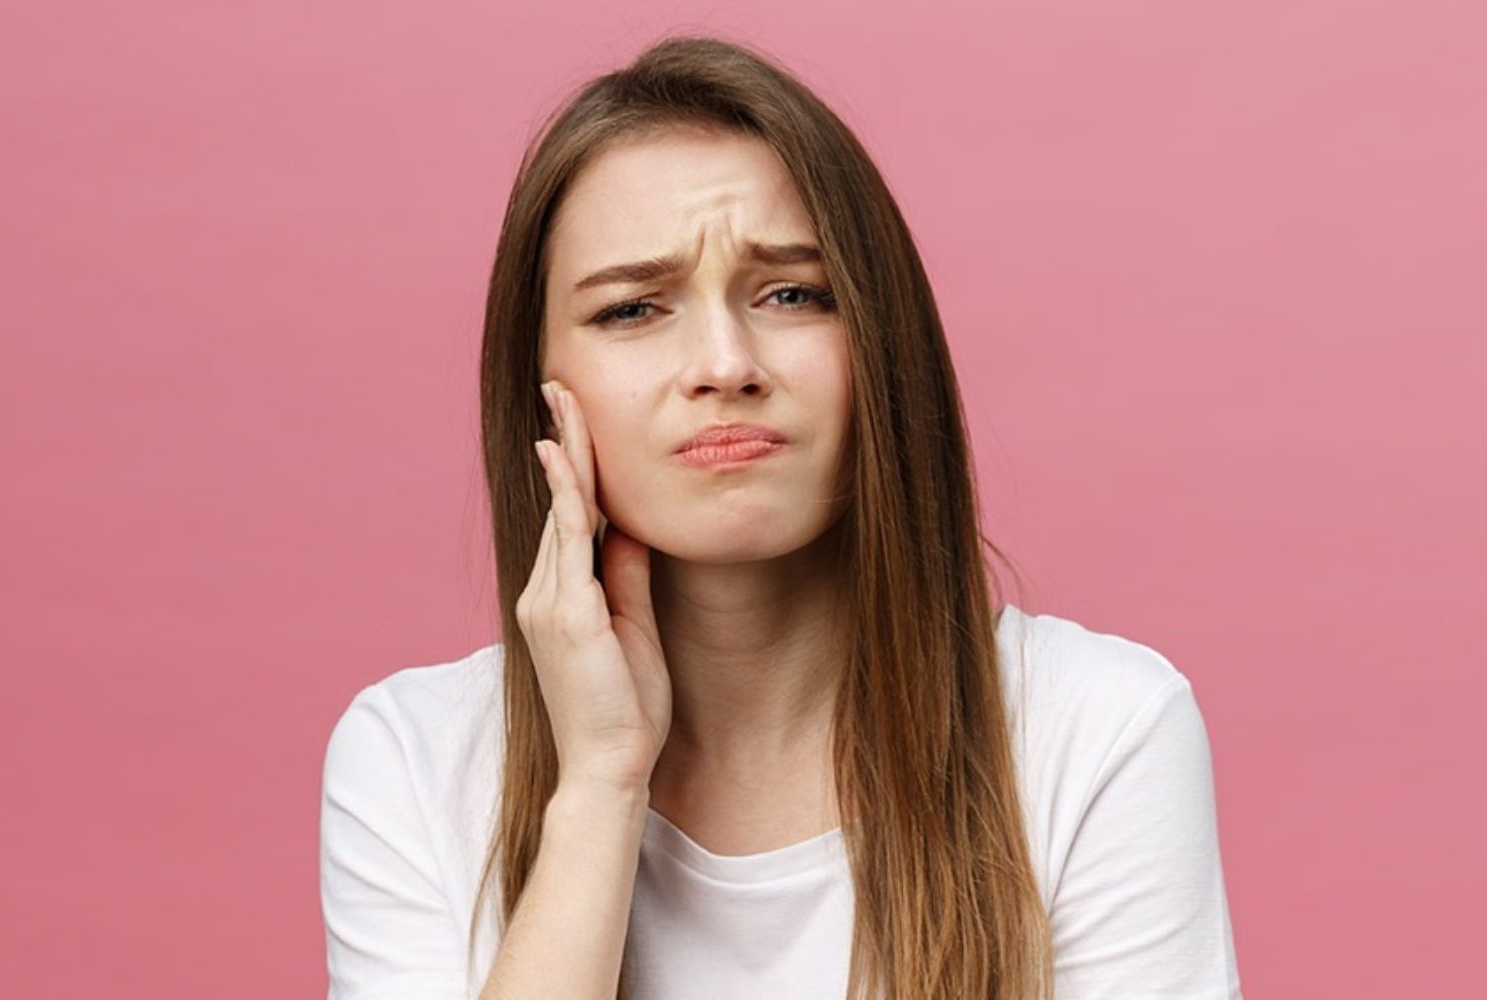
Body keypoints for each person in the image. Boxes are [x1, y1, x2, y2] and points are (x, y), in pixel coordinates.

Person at [319, 33, 1242, 1000]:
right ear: (541, 388)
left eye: (794, 294)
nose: (725, 362)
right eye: (633, 309)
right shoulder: (413, 762)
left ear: (884, 348)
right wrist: (598, 786)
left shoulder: (1099, 729)